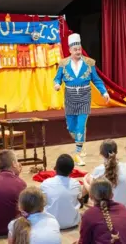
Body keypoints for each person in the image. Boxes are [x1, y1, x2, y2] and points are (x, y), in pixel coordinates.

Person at [53, 33, 110, 166]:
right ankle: (80, 142)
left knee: (80, 125)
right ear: (70, 50)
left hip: (84, 96)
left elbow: (96, 80)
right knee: (71, 127)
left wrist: (104, 92)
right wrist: (56, 84)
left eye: (79, 49)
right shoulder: (63, 63)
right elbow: (57, 77)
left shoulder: (89, 63)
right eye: (75, 50)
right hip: (70, 97)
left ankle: (77, 153)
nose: (78, 51)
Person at [78, 177, 126, 244]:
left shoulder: (89, 214)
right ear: (112, 195)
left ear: (90, 196)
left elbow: (84, 241)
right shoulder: (122, 207)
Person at [83, 139, 126, 205]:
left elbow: (92, 191)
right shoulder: (125, 166)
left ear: (101, 153)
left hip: (108, 207)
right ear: (116, 152)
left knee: (88, 182)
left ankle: (81, 199)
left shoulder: (99, 170)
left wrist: (84, 181)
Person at [40, 154, 81, 229]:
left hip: (50, 223)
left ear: (55, 168)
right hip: (72, 223)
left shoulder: (46, 183)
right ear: (72, 171)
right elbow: (79, 198)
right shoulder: (76, 184)